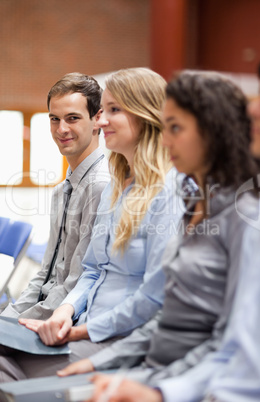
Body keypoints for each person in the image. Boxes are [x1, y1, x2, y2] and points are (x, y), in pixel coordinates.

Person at [57, 71, 260, 399]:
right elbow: (167, 315)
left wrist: (158, 389)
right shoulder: (195, 202)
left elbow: (227, 342)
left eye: (175, 128)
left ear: (213, 132)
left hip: (157, 363)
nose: (165, 140)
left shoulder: (235, 214)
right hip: (146, 358)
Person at [0, 67, 183, 382]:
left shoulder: (169, 192)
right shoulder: (116, 186)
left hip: (118, 337)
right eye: (102, 111)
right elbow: (92, 270)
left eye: (112, 111)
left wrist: (79, 328)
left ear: (146, 114)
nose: (101, 121)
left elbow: (153, 298)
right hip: (85, 325)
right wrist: (63, 313)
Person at [1, 72, 110, 320]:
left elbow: (76, 283)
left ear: (97, 119)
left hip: (65, 318)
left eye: (72, 118)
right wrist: (9, 317)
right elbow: (45, 274)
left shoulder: (100, 187)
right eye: (54, 119)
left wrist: (18, 324)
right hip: (43, 310)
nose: (61, 129)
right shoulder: (62, 190)